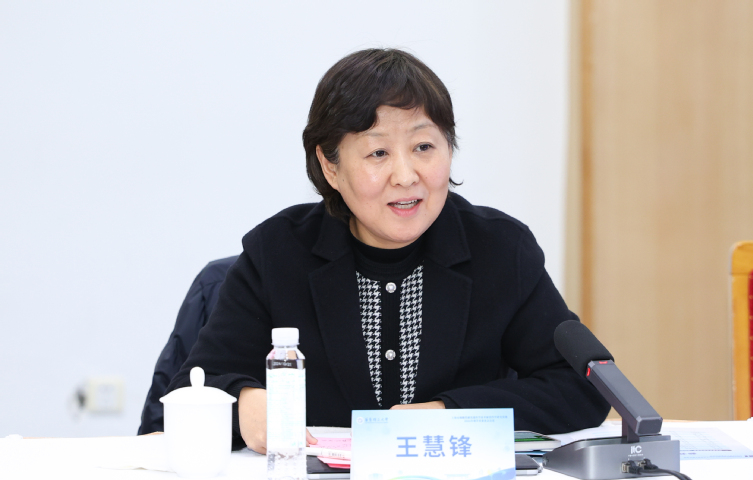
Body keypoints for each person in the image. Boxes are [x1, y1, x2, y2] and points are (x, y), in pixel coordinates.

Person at [165, 48, 610, 453]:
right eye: (378, 153)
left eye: (424, 147)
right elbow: (193, 386)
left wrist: (450, 413)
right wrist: (244, 400)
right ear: (330, 166)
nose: (406, 175)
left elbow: (581, 387)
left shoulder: (499, 250)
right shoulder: (276, 253)